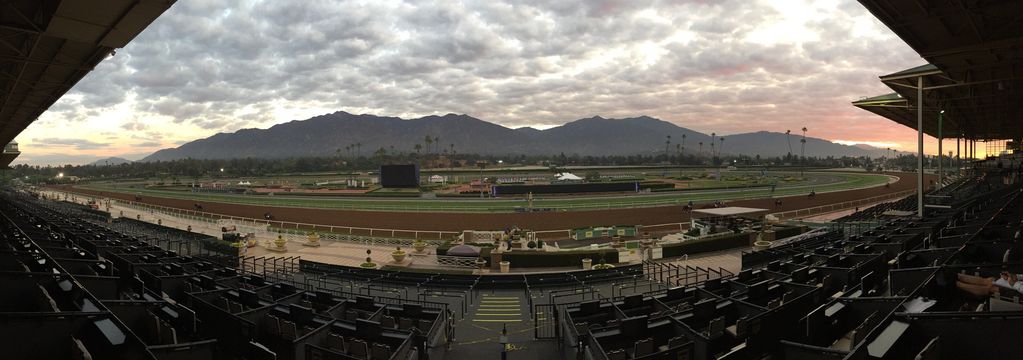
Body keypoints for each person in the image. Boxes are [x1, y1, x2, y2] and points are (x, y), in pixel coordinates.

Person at [956, 272, 1023, 297]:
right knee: (991, 280)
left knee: (991, 288)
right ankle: (958, 276)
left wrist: (1013, 283)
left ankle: (958, 284)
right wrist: (1014, 276)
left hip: (1019, 292)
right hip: (1017, 284)